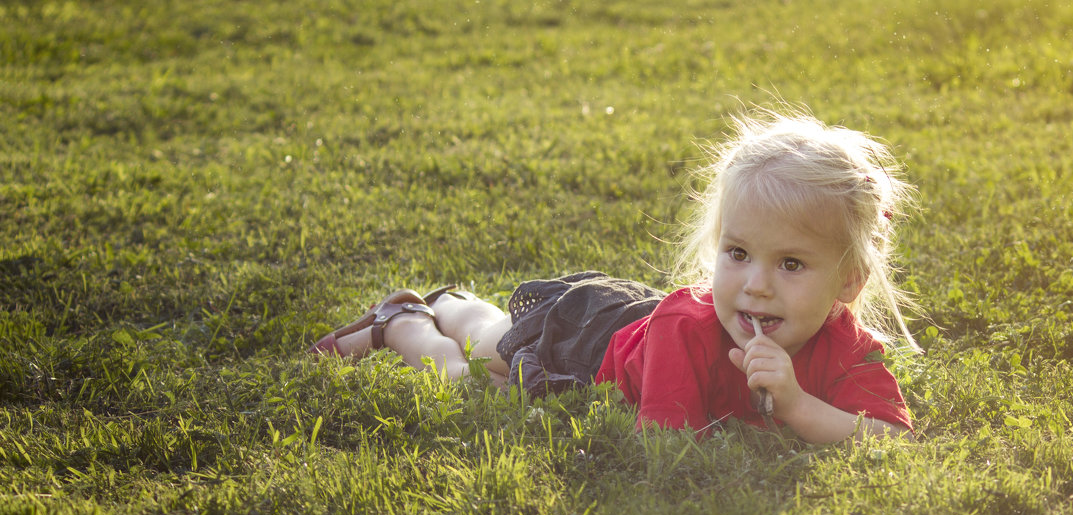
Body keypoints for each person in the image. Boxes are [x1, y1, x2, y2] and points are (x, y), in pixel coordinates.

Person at [309, 109, 921, 444]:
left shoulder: (849, 351)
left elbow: (892, 443)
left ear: (848, 283)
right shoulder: (690, 329)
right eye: (737, 253)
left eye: (790, 264)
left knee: (486, 368)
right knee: (475, 363)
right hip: (588, 342)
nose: (756, 284)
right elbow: (666, 444)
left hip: (632, 324)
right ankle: (412, 319)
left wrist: (796, 404)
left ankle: (421, 311)